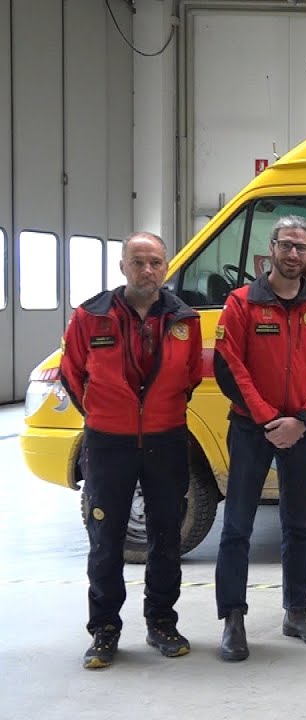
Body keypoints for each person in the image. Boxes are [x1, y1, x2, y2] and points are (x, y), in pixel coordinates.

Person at [60, 232, 203, 669]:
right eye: (138, 262)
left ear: (166, 267)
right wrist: (108, 416)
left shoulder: (184, 319)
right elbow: (72, 375)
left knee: (166, 538)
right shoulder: (90, 316)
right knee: (106, 540)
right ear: (122, 266)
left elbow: (191, 377)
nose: (147, 270)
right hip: (109, 444)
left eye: (155, 262)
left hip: (166, 440)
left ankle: (162, 622)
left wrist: (156, 414)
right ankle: (104, 629)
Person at [213, 216, 306, 661]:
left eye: (301, 248)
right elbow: (231, 369)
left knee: (299, 525)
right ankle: (233, 619)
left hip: (302, 430)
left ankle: (297, 612)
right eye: (286, 246)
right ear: (270, 250)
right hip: (251, 429)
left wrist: (302, 420)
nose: (293, 255)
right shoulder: (241, 303)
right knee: (237, 527)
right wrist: (271, 420)